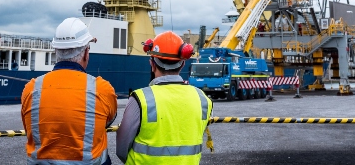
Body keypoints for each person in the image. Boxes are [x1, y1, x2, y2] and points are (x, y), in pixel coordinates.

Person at [21, 18, 117, 164]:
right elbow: (108, 121)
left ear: (56, 51)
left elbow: (30, 128)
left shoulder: (31, 88)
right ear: (86, 53)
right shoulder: (102, 89)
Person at [116, 31, 213, 164]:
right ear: (183, 64)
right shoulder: (202, 98)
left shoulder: (140, 99)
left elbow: (121, 148)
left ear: (152, 64)